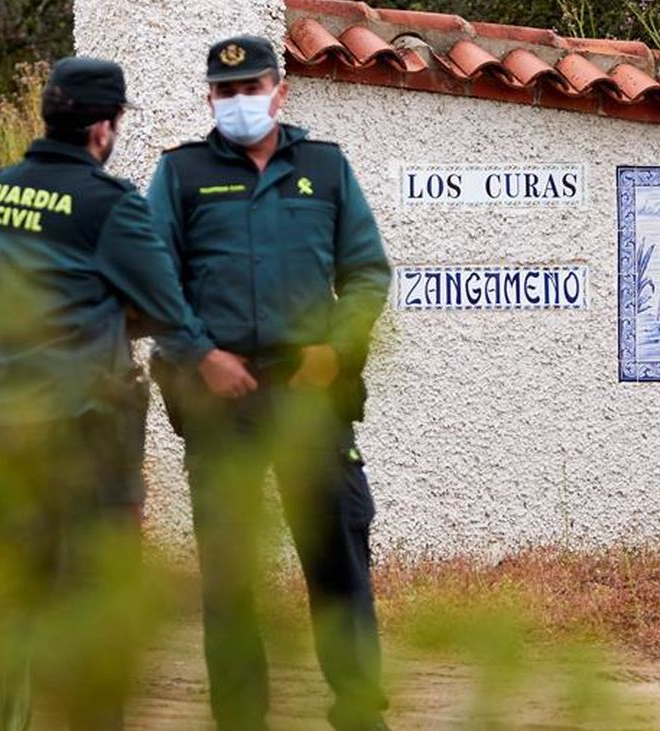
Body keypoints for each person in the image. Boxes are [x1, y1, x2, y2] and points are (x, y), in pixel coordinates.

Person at [145, 35, 392, 731]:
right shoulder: (182, 174)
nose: (241, 102)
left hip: (310, 398)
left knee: (336, 558)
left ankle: (359, 712)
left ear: (280, 92)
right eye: (227, 92)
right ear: (210, 99)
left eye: (253, 88)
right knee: (229, 574)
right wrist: (199, 355)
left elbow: (369, 272)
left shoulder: (326, 168)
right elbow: (153, 281)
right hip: (222, 400)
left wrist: (337, 350)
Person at [0, 56, 214, 731]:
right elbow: (165, 306)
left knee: (12, 595)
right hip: (90, 434)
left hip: (12, 427)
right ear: (104, 126)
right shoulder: (110, 203)